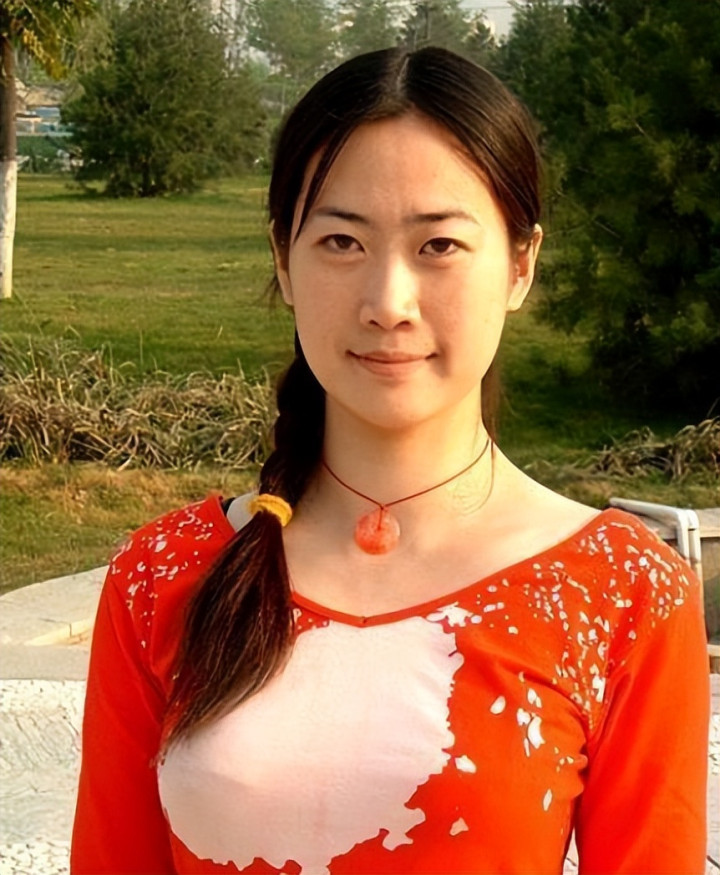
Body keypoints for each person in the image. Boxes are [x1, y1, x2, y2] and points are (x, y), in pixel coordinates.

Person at [71, 47, 709, 875]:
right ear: (283, 259)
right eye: (341, 240)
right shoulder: (163, 575)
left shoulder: (624, 593)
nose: (387, 303)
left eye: (439, 245)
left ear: (521, 264)